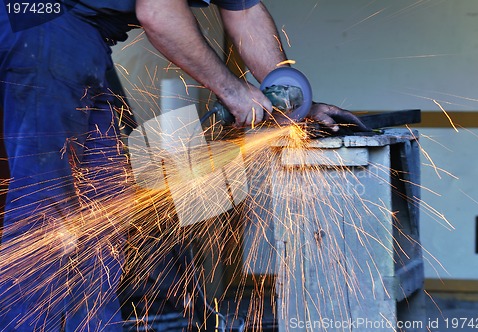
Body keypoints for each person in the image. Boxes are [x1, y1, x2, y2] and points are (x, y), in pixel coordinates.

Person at [0, 0, 368, 331]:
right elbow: (158, 11)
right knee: (48, 209)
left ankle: (95, 324)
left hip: (82, 37)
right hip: (39, 21)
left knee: (105, 202)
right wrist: (232, 90)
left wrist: (296, 104)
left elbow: (244, 11)